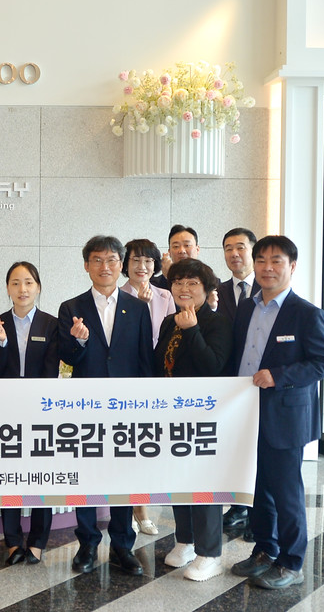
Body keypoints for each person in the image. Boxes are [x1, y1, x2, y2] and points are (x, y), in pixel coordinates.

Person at [229, 235, 324, 590]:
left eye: (276, 261)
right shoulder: (247, 307)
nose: (267, 268)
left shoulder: (306, 313)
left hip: (285, 417)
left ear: (292, 266)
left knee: (285, 492)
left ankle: (292, 563)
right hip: (246, 413)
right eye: (261, 260)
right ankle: (265, 549)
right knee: (257, 487)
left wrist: (278, 375)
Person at [57, 235, 152, 576]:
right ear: (86, 265)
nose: (105, 266)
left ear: (121, 264)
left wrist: (145, 406)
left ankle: (123, 545)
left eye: (112, 260)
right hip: (87, 407)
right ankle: (87, 543)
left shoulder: (138, 308)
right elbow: (67, 358)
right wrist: (79, 341)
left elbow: (145, 360)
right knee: (87, 475)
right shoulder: (71, 307)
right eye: (97, 260)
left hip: (127, 407)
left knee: (123, 476)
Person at [154, 258, 233, 582]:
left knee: (204, 484)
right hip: (172, 414)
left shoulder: (217, 323)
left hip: (205, 417)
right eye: (178, 282)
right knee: (178, 479)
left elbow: (213, 365)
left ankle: (209, 553)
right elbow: (160, 365)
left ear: (207, 289)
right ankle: (185, 541)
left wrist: (192, 330)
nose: (183, 288)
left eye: (192, 283)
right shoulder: (168, 322)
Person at [0, 261, 57, 566]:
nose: (22, 289)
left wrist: (36, 405)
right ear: (7, 288)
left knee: (41, 477)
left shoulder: (50, 324)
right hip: (6, 411)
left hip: (39, 412)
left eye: (28, 282)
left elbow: (50, 371)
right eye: (15, 283)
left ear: (38, 287)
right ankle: (13, 542)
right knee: (10, 476)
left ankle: (38, 542)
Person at [119, 238, 176, 536]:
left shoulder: (166, 295)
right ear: (125, 264)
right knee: (125, 448)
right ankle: (129, 511)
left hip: (157, 379)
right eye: (136, 260)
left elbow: (171, 339)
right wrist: (138, 308)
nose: (142, 266)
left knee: (145, 449)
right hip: (128, 380)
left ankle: (141, 508)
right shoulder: (117, 296)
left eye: (148, 261)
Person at [215, 227, 260, 533]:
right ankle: (238, 505)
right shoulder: (215, 291)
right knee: (233, 448)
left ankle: (258, 513)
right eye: (228, 248)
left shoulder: (266, 289)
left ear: (253, 251)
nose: (234, 254)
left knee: (259, 450)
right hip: (227, 384)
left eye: (241, 247)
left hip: (258, 383)